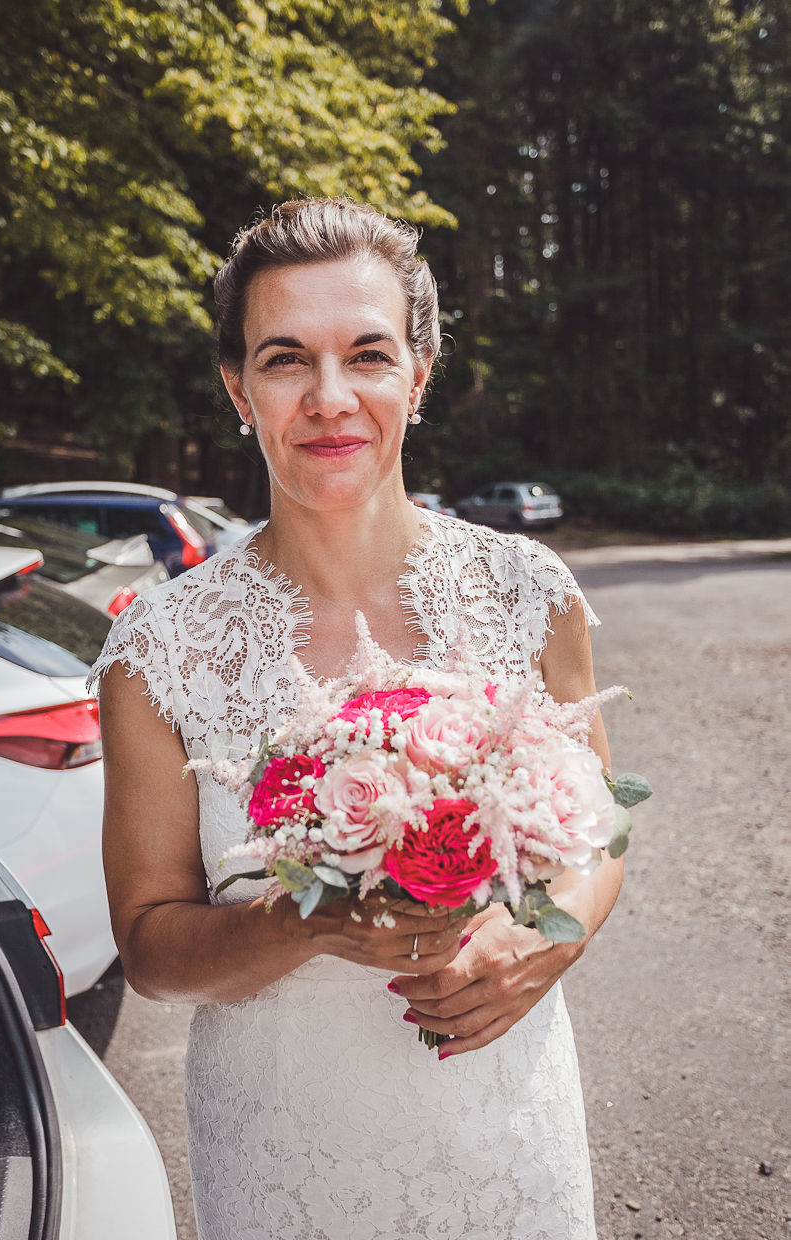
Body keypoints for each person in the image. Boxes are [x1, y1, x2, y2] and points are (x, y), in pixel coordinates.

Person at [91, 197, 623, 1240]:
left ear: (417, 376)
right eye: (285, 359)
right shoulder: (160, 650)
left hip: (504, 1128)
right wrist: (307, 921)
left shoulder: (527, 592)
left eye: (367, 355)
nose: (328, 398)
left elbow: (600, 818)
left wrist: (548, 938)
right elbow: (149, 950)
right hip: (289, 1153)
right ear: (238, 388)